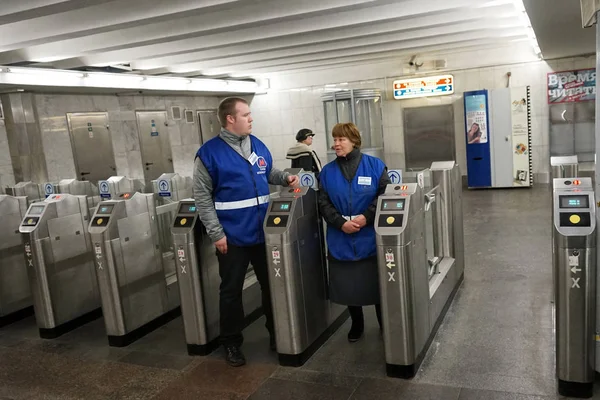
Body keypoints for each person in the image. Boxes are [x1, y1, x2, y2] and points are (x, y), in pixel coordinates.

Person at [193, 97, 299, 367]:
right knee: (231, 291)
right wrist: (216, 233)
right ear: (231, 118)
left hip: (263, 233)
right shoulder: (209, 154)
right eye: (246, 115)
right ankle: (231, 343)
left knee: (271, 286)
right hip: (232, 237)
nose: (251, 119)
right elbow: (202, 198)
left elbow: (267, 172)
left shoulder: (258, 145)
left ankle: (277, 334)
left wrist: (284, 177)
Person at [318, 122, 391, 342]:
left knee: (376, 282)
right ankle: (356, 323)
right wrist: (340, 223)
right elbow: (323, 202)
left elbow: (385, 195)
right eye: (335, 139)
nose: (336, 144)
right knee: (349, 286)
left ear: (354, 141)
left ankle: (384, 323)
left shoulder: (375, 166)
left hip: (369, 235)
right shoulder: (327, 172)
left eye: (341, 139)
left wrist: (366, 217)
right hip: (341, 236)